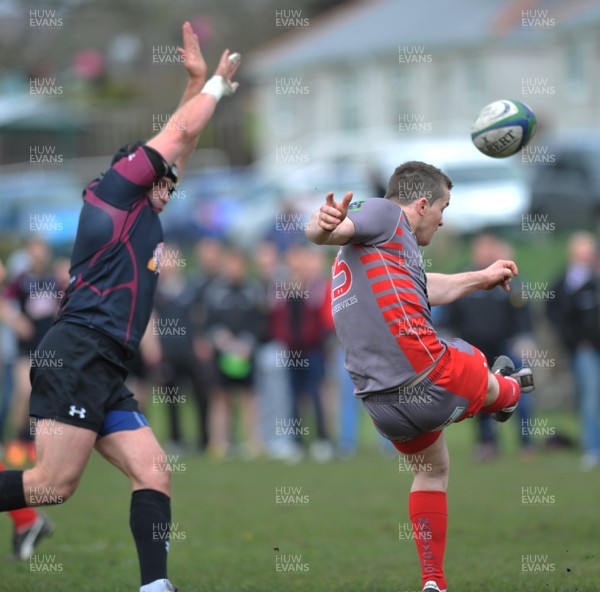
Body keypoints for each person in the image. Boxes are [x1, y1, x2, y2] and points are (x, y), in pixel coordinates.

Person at [0, 22, 240, 592]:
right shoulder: (113, 190)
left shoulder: (145, 208)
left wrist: (199, 83)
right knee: (52, 485)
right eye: (163, 173)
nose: (172, 181)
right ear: (139, 170)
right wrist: (212, 93)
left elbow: (181, 141)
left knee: (154, 470)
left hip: (105, 363)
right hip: (78, 351)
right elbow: (178, 135)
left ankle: (155, 587)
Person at [305, 161, 534, 592]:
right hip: (431, 375)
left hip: (382, 407)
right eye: (443, 208)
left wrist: (481, 278)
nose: (444, 219)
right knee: (473, 355)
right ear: (422, 203)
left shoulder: (384, 255)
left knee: (432, 470)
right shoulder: (387, 215)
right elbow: (326, 232)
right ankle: (508, 392)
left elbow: (428, 286)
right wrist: (321, 224)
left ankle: (433, 581)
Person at [439, 233, 535, 461]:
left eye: (488, 248)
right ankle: (487, 443)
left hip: (508, 349)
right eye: (480, 248)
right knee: (481, 398)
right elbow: (448, 315)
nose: (484, 252)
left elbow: (523, 313)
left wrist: (524, 338)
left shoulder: (507, 280)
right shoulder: (464, 279)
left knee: (521, 394)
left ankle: (526, 443)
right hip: (476, 352)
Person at [547, 231, 600, 471]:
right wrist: (575, 341)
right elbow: (556, 314)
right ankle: (593, 448)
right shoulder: (566, 283)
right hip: (586, 350)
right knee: (589, 399)